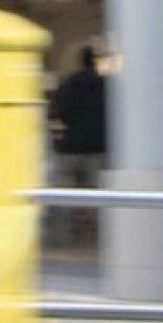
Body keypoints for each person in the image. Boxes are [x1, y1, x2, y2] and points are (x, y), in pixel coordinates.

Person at [48, 45, 107, 248]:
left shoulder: (70, 84)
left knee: (63, 195)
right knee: (99, 197)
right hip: (99, 147)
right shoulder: (105, 84)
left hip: (70, 146)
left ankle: (60, 240)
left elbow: (56, 112)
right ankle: (101, 241)